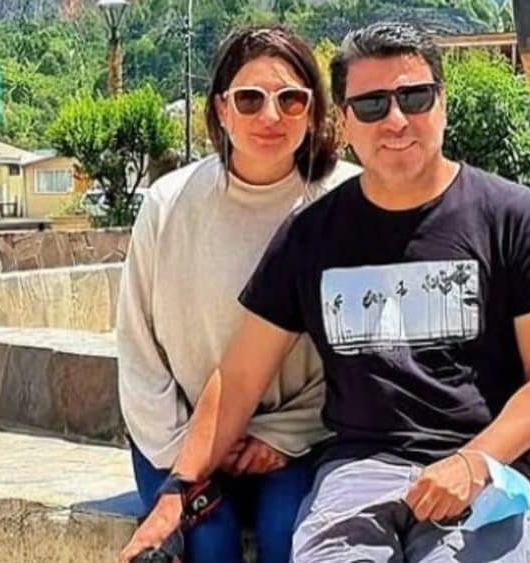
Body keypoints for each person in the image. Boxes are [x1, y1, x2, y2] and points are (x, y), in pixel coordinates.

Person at [120, 21, 530, 563]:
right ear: (344, 122)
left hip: (479, 471)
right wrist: (178, 489)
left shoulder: (512, 217)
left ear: (443, 104)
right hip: (357, 474)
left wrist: (475, 462)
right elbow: (240, 378)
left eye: (414, 98)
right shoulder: (310, 234)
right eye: (371, 105)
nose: (395, 120)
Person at [116, 25, 360, 563]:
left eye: (290, 99)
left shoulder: (345, 203)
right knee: (208, 539)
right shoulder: (167, 204)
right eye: (250, 99)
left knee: (289, 534)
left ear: (314, 112)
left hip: (301, 437)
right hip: (178, 435)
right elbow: (138, 350)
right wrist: (186, 450)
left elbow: (360, 355)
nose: (270, 116)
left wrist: (284, 435)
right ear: (222, 110)